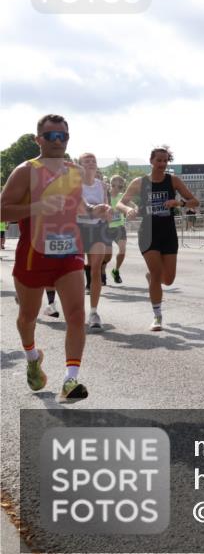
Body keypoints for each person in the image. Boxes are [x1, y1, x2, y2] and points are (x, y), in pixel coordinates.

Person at [1, 114, 111, 402]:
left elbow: (78, 206)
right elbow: (3, 211)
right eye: (51, 136)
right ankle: (32, 356)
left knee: (76, 315)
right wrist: (37, 205)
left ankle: (69, 381)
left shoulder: (74, 172)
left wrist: (93, 209)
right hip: (33, 255)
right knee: (27, 317)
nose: (58, 141)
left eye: (63, 135)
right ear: (39, 139)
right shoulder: (26, 171)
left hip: (68, 252)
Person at [117, 146, 199, 331]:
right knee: (156, 274)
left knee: (168, 279)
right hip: (148, 233)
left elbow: (194, 201)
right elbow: (121, 202)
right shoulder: (140, 182)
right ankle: (157, 315)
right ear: (151, 161)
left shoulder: (173, 181)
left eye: (165, 161)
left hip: (168, 232)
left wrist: (179, 202)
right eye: (158, 160)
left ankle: (152, 279)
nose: (162, 164)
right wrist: (128, 209)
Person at [76, 153, 110, 329]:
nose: (90, 163)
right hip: (77, 229)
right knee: (73, 272)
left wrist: (106, 211)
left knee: (96, 269)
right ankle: (75, 309)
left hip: (97, 230)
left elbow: (105, 207)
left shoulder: (102, 186)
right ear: (80, 165)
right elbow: (78, 207)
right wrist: (93, 209)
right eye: (86, 161)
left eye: (93, 161)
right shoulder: (74, 185)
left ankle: (94, 312)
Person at [104, 175, 128, 283]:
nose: (116, 189)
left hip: (119, 227)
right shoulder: (105, 196)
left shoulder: (122, 196)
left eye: (120, 187)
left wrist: (135, 208)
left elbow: (131, 204)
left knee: (122, 251)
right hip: (106, 228)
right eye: (114, 185)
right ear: (111, 184)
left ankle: (116, 271)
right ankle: (102, 271)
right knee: (107, 256)